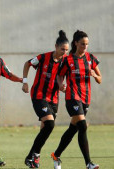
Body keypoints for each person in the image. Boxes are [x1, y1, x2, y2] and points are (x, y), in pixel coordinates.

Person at [51, 30, 101, 169]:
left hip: (86, 99)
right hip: (72, 97)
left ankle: (56, 155)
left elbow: (100, 79)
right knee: (83, 126)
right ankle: (88, 163)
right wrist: (61, 84)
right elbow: (59, 75)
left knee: (73, 129)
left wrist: (95, 75)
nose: (85, 47)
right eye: (83, 44)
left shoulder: (91, 58)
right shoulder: (67, 59)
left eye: (87, 44)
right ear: (76, 43)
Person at [22, 30, 69, 168]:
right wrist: (25, 81)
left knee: (45, 129)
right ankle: (35, 156)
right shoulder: (43, 58)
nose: (64, 53)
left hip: (54, 99)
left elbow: (63, 78)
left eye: (66, 50)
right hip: (39, 95)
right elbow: (27, 64)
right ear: (56, 46)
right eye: (62, 49)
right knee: (49, 124)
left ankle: (30, 157)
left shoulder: (65, 61)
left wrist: (63, 87)